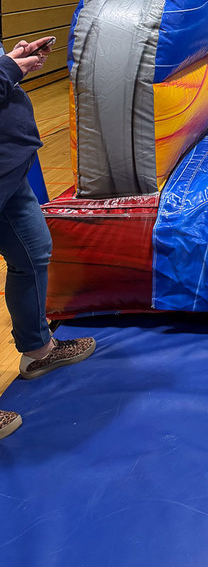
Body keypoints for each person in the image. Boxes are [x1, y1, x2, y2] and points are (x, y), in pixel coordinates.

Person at [0, 37, 96, 441]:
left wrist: (9, 60)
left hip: (9, 167)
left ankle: (39, 350)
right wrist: (7, 71)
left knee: (33, 252)